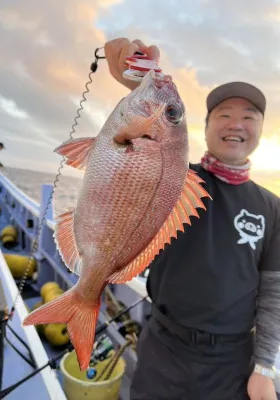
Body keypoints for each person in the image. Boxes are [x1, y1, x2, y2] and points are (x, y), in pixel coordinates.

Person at [104, 38, 280, 400]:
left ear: (262, 130)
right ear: (207, 124)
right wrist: (141, 87)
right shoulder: (175, 177)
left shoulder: (272, 207)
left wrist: (264, 367)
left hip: (232, 362)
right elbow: (139, 148)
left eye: (249, 116)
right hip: (164, 347)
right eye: (224, 114)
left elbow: (273, 294)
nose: (236, 124)